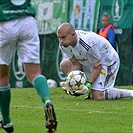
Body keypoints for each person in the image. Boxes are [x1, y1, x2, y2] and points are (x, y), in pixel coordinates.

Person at [0, 0, 57, 133]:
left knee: (2, 76)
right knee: (34, 73)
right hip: (27, 21)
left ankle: (7, 121)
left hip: (5, 22)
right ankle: (47, 101)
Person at [57, 22, 133, 100]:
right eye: (59, 38)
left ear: (73, 35)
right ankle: (93, 92)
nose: (61, 41)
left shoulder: (87, 44)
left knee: (98, 96)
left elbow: (98, 67)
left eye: (63, 37)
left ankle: (130, 93)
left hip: (107, 61)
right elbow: (76, 64)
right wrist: (70, 82)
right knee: (64, 65)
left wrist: (87, 86)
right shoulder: (63, 45)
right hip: (90, 62)